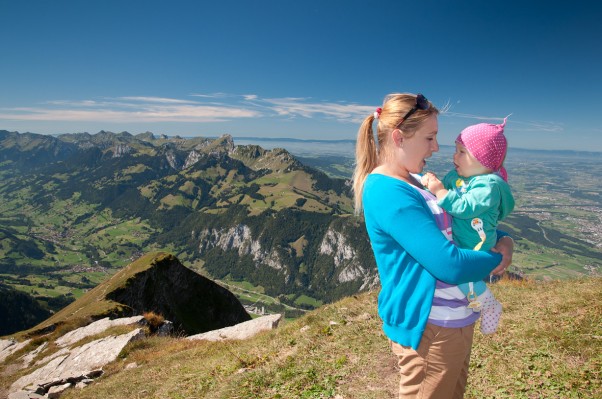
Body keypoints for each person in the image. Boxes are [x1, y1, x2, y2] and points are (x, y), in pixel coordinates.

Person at [352, 93, 513, 399]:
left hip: (455, 319)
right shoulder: (388, 191)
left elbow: (457, 228)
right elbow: (448, 264)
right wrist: (496, 257)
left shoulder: (414, 180)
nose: (436, 148)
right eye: (430, 137)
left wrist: (504, 238)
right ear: (400, 138)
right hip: (430, 328)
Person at [421, 119, 515, 335]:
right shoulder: (460, 176)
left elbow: (463, 207)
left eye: (462, 152)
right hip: (462, 240)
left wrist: (439, 190)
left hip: (476, 244)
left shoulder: (488, 185)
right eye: (456, 150)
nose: (454, 156)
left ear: (483, 159)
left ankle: (489, 303)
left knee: (464, 277)